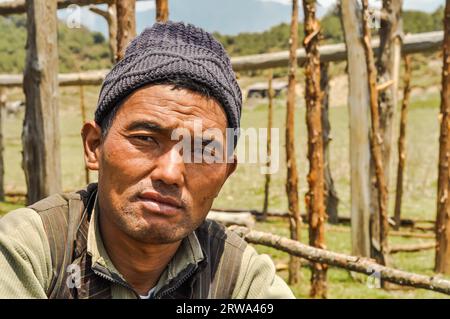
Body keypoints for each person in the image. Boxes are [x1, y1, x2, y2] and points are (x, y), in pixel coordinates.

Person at [0, 21, 294, 299]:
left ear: (225, 173)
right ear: (94, 146)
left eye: (201, 151)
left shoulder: (239, 277)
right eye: (145, 138)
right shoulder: (30, 251)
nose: (170, 173)